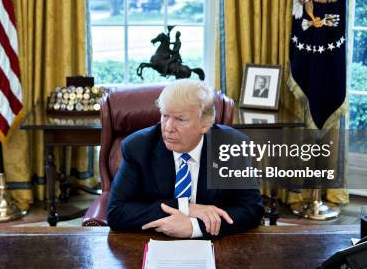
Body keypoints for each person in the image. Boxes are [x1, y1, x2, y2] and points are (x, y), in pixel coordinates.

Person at [107, 79, 264, 238]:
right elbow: (116, 212)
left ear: (205, 124)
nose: (168, 128)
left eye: (180, 120)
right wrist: (186, 208)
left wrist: (194, 227)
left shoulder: (232, 145)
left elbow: (251, 209)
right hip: (154, 242)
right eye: (165, 116)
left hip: (214, 246)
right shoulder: (138, 148)